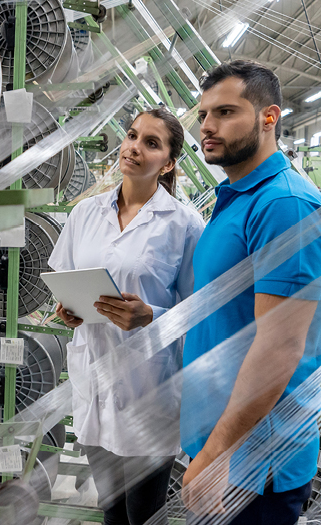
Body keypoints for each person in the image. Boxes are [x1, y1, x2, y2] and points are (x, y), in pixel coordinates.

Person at [48, 107, 205, 525]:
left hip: (148, 388)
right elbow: (64, 278)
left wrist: (151, 314)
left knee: (144, 514)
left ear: (168, 162)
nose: (134, 147)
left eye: (151, 143)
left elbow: (199, 310)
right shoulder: (85, 214)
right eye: (133, 136)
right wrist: (68, 310)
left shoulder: (184, 224)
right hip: (94, 378)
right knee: (110, 509)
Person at [181, 59, 321, 525]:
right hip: (225, 446)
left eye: (225, 112)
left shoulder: (284, 204)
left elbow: (279, 348)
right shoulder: (238, 197)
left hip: (253, 463)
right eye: (204, 115)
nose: (207, 126)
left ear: (269, 117)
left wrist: (218, 454)